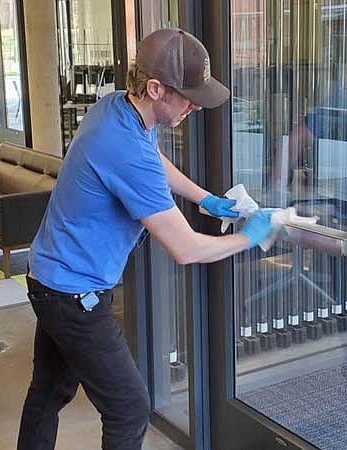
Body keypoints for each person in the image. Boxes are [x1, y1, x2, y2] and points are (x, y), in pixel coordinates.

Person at [17, 28, 275, 450]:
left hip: (49, 275)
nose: (194, 104)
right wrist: (250, 237)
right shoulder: (122, 145)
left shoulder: (118, 108)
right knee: (129, 407)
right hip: (73, 293)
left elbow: (153, 160)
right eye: (188, 95)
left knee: (49, 391)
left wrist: (206, 199)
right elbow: (186, 248)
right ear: (155, 88)